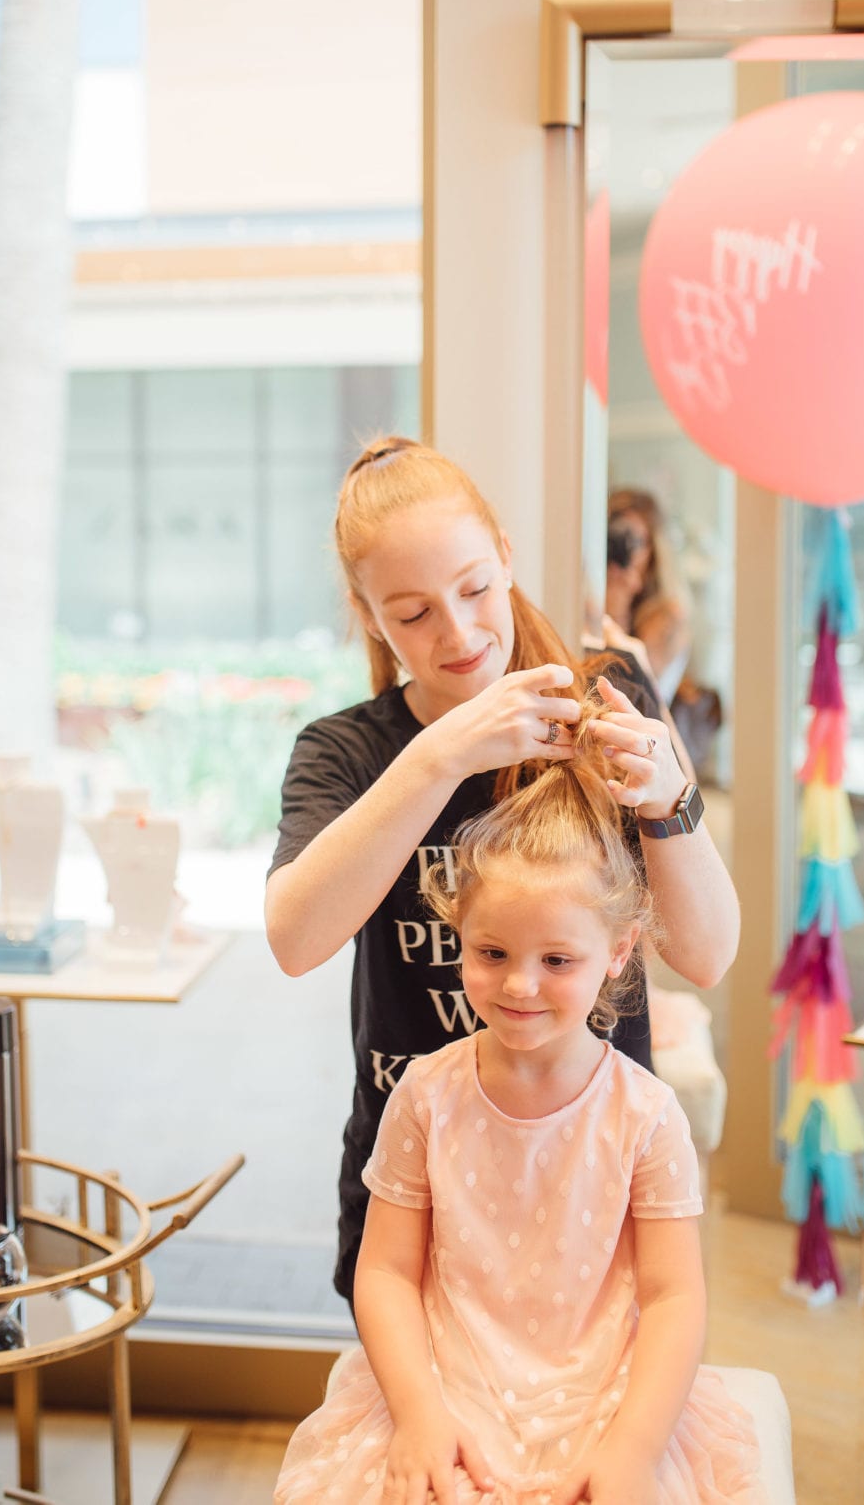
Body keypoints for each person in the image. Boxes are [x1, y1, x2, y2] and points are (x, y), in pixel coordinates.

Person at [265, 436, 739, 1305]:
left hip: (595, 1172)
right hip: (419, 1196)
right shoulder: (348, 752)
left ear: (506, 556)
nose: (458, 632)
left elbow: (707, 954)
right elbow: (295, 939)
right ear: (369, 616)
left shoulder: (609, 694)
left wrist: (671, 796)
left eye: (477, 588)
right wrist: (439, 755)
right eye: (411, 614)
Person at [273, 718, 759, 1504]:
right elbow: (388, 1272)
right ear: (458, 933)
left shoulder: (646, 1115)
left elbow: (674, 1296)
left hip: (607, 1393)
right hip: (446, 1384)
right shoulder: (425, 1097)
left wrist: (633, 1449)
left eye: (557, 960)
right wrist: (422, 1414)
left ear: (620, 952)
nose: (519, 986)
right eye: (491, 953)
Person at [604, 489, 691, 704]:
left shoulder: (668, 617)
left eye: (634, 540)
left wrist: (616, 612)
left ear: (653, 550)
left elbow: (635, 690)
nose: (624, 548)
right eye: (617, 536)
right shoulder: (588, 594)